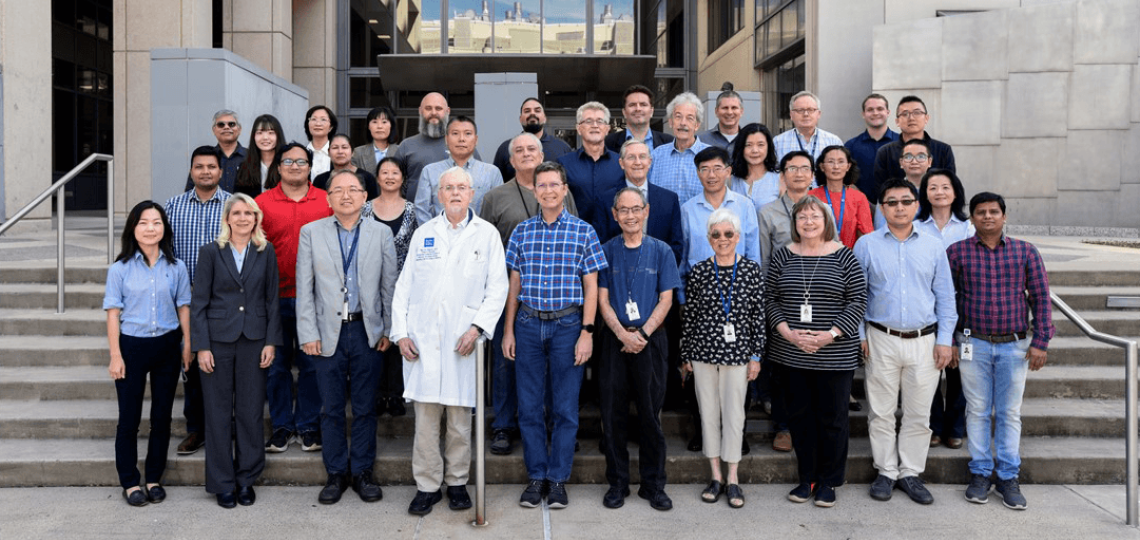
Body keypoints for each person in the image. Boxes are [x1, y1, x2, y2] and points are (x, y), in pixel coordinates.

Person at [391, 166, 508, 516]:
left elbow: (497, 289)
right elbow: (404, 288)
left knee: (460, 421)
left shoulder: (486, 235)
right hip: (423, 343)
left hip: (464, 342)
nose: (456, 193)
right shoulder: (424, 233)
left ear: (472, 194)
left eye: (462, 187)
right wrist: (400, 333)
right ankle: (427, 486)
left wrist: (477, 329)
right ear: (439, 194)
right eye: (448, 188)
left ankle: (457, 483)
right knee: (425, 423)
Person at [502, 161, 607, 509]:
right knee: (529, 407)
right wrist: (509, 331)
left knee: (565, 408)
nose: (548, 190)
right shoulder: (521, 232)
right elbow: (514, 284)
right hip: (529, 325)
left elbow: (591, 287)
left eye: (554, 185)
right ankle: (536, 477)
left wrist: (587, 332)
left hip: (567, 327)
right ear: (535, 190)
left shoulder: (584, 231)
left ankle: (558, 479)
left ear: (564, 189)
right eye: (541, 185)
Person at [296, 170, 398, 505]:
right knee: (331, 407)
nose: (346, 195)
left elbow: (388, 285)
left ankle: (363, 472)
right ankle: (336, 473)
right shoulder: (311, 232)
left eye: (353, 189)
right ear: (327, 198)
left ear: (365, 196)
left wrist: (387, 328)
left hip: (366, 330)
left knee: (366, 407)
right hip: (327, 332)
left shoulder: (380, 233)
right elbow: (305, 289)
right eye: (338, 190)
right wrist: (307, 333)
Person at [947, 192, 1054, 511]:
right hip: (972, 343)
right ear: (972, 218)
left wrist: (1041, 341)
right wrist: (950, 340)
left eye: (994, 212)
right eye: (981, 212)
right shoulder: (957, 252)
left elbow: (1041, 298)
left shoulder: (1025, 252)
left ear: (1004, 217)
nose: (988, 217)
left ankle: (1008, 476)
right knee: (977, 410)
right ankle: (980, 473)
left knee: (1009, 412)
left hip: (1015, 345)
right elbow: (946, 300)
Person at [854, 178, 957, 506]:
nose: (899, 207)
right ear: (882, 208)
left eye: (905, 201)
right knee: (881, 412)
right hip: (880, 338)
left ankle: (910, 472)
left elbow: (945, 297)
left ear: (916, 205)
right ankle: (885, 471)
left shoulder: (932, 245)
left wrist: (944, 340)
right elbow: (857, 295)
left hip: (924, 341)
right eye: (891, 202)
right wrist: (859, 335)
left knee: (918, 413)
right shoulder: (867, 244)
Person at [479, 134, 579, 456]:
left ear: (541, 154)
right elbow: (483, 245)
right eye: (518, 150)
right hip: (508, 293)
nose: (525, 154)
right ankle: (504, 426)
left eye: (531, 149)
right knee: (506, 361)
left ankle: (553, 426)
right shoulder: (495, 197)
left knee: (553, 367)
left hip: (555, 296)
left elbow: (574, 234)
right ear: (510, 160)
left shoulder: (563, 191)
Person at [765, 195, 866, 508]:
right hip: (790, 353)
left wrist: (829, 335)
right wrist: (789, 334)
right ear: (794, 224)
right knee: (800, 419)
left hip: (834, 355)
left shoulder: (844, 256)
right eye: (802, 217)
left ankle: (829, 481)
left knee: (833, 420)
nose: (808, 222)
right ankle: (806, 478)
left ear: (826, 222)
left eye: (814, 217)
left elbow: (858, 300)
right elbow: (770, 299)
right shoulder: (783, 255)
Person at [190, 193, 283, 508]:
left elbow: (272, 300)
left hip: (255, 340)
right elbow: (199, 303)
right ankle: (222, 483)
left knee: (250, 411)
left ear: (256, 219)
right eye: (238, 213)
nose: (243, 218)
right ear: (227, 218)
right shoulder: (210, 252)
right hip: (217, 341)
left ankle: (246, 479)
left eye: (249, 213)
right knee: (216, 413)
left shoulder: (265, 251)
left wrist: (271, 341)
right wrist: (201, 347)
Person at [596, 187, 682, 511]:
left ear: (646, 212)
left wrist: (642, 334)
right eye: (624, 210)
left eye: (636, 209)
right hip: (614, 341)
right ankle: (617, 483)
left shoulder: (661, 251)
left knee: (650, 416)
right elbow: (602, 299)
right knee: (613, 416)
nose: (630, 216)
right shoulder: (605, 250)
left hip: (651, 340)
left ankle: (653, 485)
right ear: (614, 214)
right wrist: (621, 333)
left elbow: (667, 299)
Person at [103, 201, 191, 507]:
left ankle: (153, 477)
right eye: (143, 222)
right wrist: (116, 355)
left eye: (156, 222)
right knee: (128, 419)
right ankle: (129, 481)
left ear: (164, 228)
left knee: (162, 418)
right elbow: (113, 313)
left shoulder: (176, 267)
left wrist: (188, 346)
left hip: (167, 346)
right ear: (133, 228)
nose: (150, 228)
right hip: (132, 346)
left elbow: (183, 307)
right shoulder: (120, 268)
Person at [681, 208, 765, 509]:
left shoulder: (752, 270)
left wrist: (756, 355)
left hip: (739, 354)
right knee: (708, 414)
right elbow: (689, 316)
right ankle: (715, 476)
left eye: (728, 234)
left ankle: (733, 478)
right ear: (709, 238)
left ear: (738, 237)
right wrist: (685, 355)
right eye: (716, 234)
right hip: (703, 354)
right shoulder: (701, 271)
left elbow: (759, 318)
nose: (722, 239)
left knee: (734, 416)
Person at [255, 142, 332, 454]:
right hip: (274, 298)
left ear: (311, 167)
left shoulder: (326, 201)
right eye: (289, 161)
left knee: (312, 365)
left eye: (302, 161)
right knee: (277, 366)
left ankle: (309, 426)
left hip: (314, 300)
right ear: (278, 166)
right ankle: (283, 426)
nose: (295, 166)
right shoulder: (261, 203)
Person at [757, 150, 835, 453]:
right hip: (783, 300)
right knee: (782, 369)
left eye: (805, 168)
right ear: (782, 175)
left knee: (814, 365)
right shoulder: (768, 212)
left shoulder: (824, 210)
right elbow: (763, 260)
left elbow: (833, 250)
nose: (799, 173)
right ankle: (783, 426)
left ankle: (812, 423)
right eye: (792, 168)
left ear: (813, 174)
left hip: (820, 301)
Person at [165, 145, 232, 457]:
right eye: (199, 167)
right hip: (186, 301)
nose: (206, 171)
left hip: (226, 302)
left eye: (211, 166)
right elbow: (165, 254)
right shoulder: (173, 206)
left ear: (220, 170)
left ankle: (225, 425)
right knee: (190, 364)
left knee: (223, 365)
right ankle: (196, 429)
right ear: (191, 171)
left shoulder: (234, 205)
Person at [916, 168, 974, 449]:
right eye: (933, 187)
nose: (939, 192)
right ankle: (934, 425)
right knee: (929, 369)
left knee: (959, 368)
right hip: (925, 307)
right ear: (924, 193)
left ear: (955, 192)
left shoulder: (968, 227)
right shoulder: (916, 227)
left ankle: (956, 426)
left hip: (963, 308)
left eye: (945, 187)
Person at [362, 156, 419, 417]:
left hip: (403, 284)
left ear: (402, 179)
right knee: (373, 337)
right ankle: (375, 393)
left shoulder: (412, 210)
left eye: (394, 172)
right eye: (384, 172)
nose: (389, 176)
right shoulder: (364, 209)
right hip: (369, 283)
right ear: (377, 178)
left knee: (397, 338)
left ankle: (396, 394)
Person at [597, 140, 684, 261]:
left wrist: (659, 273)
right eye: (631, 157)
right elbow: (600, 245)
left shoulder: (669, 200)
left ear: (650, 162)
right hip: (617, 275)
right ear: (621, 163)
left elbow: (676, 246)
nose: (637, 162)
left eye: (642, 157)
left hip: (658, 276)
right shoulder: (605, 199)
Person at [680, 146, 760, 274]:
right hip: (699, 287)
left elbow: (753, 253)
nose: (711, 175)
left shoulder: (745, 206)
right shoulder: (687, 210)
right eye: (704, 169)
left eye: (717, 168)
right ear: (698, 173)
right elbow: (682, 257)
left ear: (728, 172)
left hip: (739, 286)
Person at [392, 92, 481, 203]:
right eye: (428, 108)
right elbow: (392, 182)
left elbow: (478, 181)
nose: (433, 113)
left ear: (447, 111)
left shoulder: (463, 145)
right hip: (416, 217)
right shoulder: (406, 145)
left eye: (438, 108)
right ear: (420, 111)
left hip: (456, 215)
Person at [415, 116, 503, 224]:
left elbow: (499, 211)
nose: (461, 139)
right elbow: (422, 210)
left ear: (476, 140)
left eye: (468, 134)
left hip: (480, 238)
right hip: (439, 237)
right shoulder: (429, 171)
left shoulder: (492, 173)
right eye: (455, 133)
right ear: (446, 139)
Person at [557, 101, 626, 238]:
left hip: (613, 243)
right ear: (578, 128)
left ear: (607, 128)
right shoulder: (564, 164)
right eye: (588, 121)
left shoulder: (621, 163)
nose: (595, 125)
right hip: (575, 241)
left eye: (600, 121)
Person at [873, 95, 956, 195]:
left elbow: (950, 186)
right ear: (897, 121)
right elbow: (880, 190)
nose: (911, 118)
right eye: (905, 114)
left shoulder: (943, 150)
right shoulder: (885, 152)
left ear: (926, 118)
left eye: (917, 113)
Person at [648, 92, 711, 204]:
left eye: (689, 118)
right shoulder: (656, 155)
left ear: (697, 125)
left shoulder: (711, 156)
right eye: (678, 117)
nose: (683, 123)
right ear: (671, 122)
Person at [808, 145, 873, 249]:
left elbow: (866, 235)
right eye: (831, 161)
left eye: (841, 161)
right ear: (822, 166)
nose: (836, 167)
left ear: (848, 166)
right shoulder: (810, 197)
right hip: (817, 258)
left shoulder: (859, 197)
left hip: (850, 258)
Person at [493, 97, 572, 181]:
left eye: (537, 110)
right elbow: (497, 183)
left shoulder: (562, 148)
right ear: (520, 119)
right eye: (527, 111)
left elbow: (569, 183)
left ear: (544, 118)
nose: (532, 113)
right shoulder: (505, 148)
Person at [845, 94, 898, 204]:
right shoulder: (851, 146)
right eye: (870, 110)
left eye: (880, 109)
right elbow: (844, 177)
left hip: (897, 205)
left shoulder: (903, 143)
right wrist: (863, 200)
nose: (875, 113)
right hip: (861, 206)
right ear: (863, 114)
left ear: (888, 112)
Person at [873, 139, 933, 230]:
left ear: (929, 161)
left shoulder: (940, 192)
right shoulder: (888, 192)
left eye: (921, 156)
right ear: (901, 162)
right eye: (908, 157)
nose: (914, 161)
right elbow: (881, 229)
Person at [184, 110, 247, 193]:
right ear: (214, 130)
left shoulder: (252, 156)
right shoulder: (203, 158)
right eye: (221, 125)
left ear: (239, 129)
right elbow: (190, 192)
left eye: (231, 124)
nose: (226, 127)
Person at [772, 92, 843, 163]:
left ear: (818, 114)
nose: (806, 114)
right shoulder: (777, 143)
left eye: (811, 110)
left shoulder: (833, 142)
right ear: (791, 115)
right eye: (800, 110)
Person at [604, 85, 675, 153]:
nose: (638, 109)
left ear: (651, 111)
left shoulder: (669, 143)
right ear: (624, 112)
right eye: (632, 105)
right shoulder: (608, 143)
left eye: (643, 105)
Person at [729, 123, 781, 212]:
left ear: (768, 147)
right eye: (748, 145)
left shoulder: (780, 179)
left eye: (760, 145)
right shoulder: (730, 181)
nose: (755, 150)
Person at [233, 114, 286, 198]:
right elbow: (238, 199)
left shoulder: (288, 165)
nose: (265, 137)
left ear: (278, 136)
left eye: (271, 133)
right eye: (259, 133)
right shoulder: (244, 167)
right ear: (254, 136)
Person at [313, 134, 380, 199]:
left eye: (344, 147)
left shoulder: (367, 178)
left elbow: (373, 207)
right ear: (328, 152)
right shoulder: (320, 180)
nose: (340, 151)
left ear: (352, 152)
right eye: (335, 147)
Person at [350, 106, 400, 176]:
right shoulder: (357, 154)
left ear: (391, 126)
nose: (379, 126)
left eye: (384, 122)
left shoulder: (402, 152)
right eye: (375, 122)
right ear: (368, 126)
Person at [698, 85, 743, 159]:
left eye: (734, 108)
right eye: (725, 108)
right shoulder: (700, 141)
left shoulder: (749, 140)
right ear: (716, 111)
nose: (729, 112)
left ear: (741, 111)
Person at [304, 105, 337, 179]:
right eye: (313, 119)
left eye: (323, 119)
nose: (318, 124)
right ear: (308, 124)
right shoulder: (300, 153)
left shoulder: (338, 153)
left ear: (331, 127)